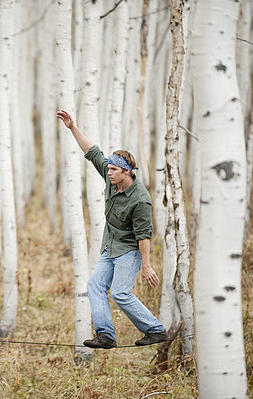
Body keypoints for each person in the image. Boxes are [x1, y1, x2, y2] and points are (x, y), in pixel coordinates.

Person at [56, 109, 167, 349]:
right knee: (95, 285)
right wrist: (72, 127)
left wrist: (146, 266)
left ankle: (155, 330)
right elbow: (92, 151)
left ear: (127, 171)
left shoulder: (140, 199)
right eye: (108, 169)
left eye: (114, 170)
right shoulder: (111, 176)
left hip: (130, 250)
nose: (109, 172)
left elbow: (144, 235)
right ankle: (106, 335)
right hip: (110, 247)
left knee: (120, 293)